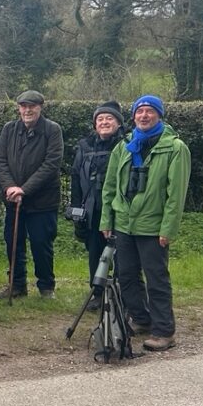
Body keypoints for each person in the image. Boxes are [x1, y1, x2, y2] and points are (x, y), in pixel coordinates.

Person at [100, 95, 190, 352]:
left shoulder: (175, 148)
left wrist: (168, 229)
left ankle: (164, 331)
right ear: (133, 117)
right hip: (124, 223)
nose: (144, 116)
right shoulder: (124, 147)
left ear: (159, 116)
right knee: (126, 275)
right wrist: (107, 219)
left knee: (156, 278)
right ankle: (140, 319)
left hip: (153, 226)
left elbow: (176, 195)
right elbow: (109, 188)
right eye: (140, 112)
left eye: (150, 111)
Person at [0, 89, 64, 299]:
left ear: (40, 107)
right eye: (23, 106)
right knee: (13, 244)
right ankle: (16, 285)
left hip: (43, 201)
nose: (27, 110)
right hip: (13, 200)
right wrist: (10, 187)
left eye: (31, 106)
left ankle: (46, 287)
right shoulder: (9, 129)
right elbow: (0, 160)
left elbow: (51, 164)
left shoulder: (52, 130)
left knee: (41, 244)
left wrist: (25, 189)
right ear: (18, 108)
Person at [70, 100, 125, 286]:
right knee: (94, 252)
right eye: (100, 119)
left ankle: (122, 292)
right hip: (92, 210)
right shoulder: (84, 147)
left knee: (121, 253)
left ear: (118, 123)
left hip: (119, 209)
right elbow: (76, 177)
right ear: (95, 124)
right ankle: (97, 292)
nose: (104, 122)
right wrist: (76, 207)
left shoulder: (127, 145)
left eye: (109, 118)